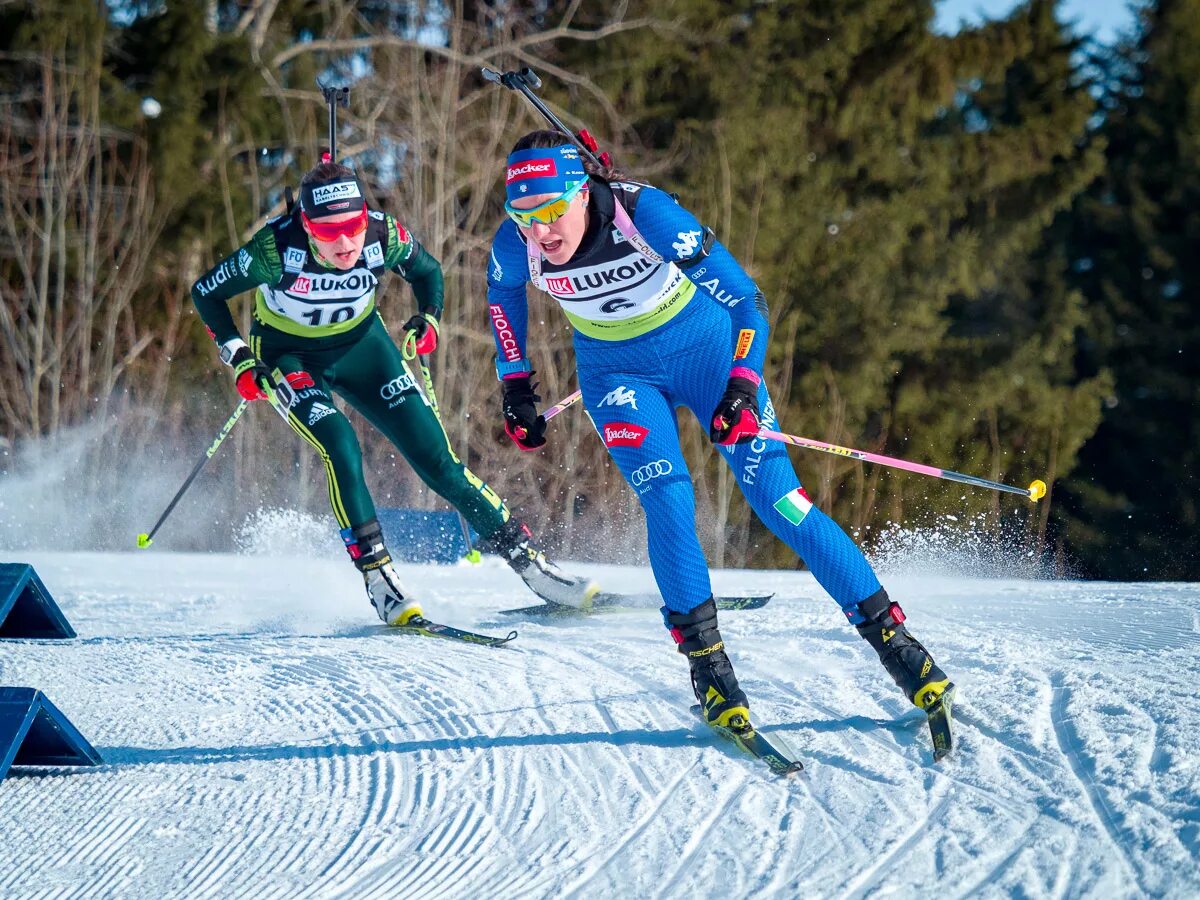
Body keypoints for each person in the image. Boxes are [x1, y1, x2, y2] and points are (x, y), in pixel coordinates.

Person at [485, 133, 953, 734]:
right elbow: (501, 294)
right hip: (617, 373)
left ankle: (899, 647)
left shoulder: (644, 214)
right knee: (669, 499)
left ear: (582, 192)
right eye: (524, 216)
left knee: (780, 501)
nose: (541, 232)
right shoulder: (516, 245)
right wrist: (516, 384)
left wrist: (741, 386)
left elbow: (748, 304)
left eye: (552, 211)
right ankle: (710, 674)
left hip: (707, 354)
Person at [190, 161, 597, 625]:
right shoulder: (274, 249)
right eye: (328, 232)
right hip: (289, 357)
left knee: (439, 461)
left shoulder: (384, 236)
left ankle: (531, 564)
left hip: (364, 347)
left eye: (352, 227)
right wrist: (241, 356)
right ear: (306, 226)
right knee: (340, 444)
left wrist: (429, 318)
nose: (345, 243)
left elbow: (428, 272)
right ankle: (379, 579)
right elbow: (206, 292)